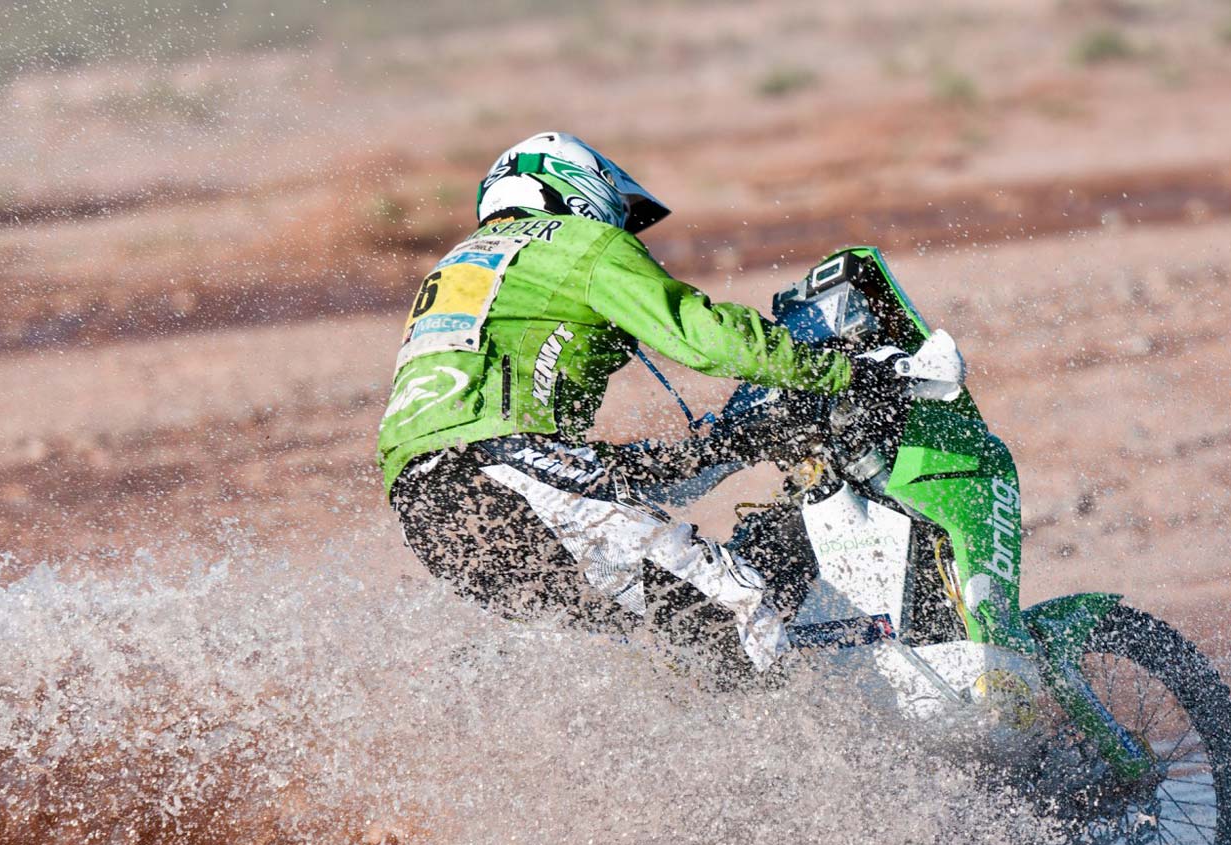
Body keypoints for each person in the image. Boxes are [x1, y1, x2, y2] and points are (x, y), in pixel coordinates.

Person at [378, 131, 963, 685]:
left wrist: (727, 445)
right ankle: (821, 752)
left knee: (678, 643)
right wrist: (850, 371)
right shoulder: (574, 242)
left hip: (436, 517)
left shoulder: (464, 270)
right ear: (577, 187)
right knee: (743, 611)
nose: (620, 229)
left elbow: (526, 454)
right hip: (510, 475)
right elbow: (704, 337)